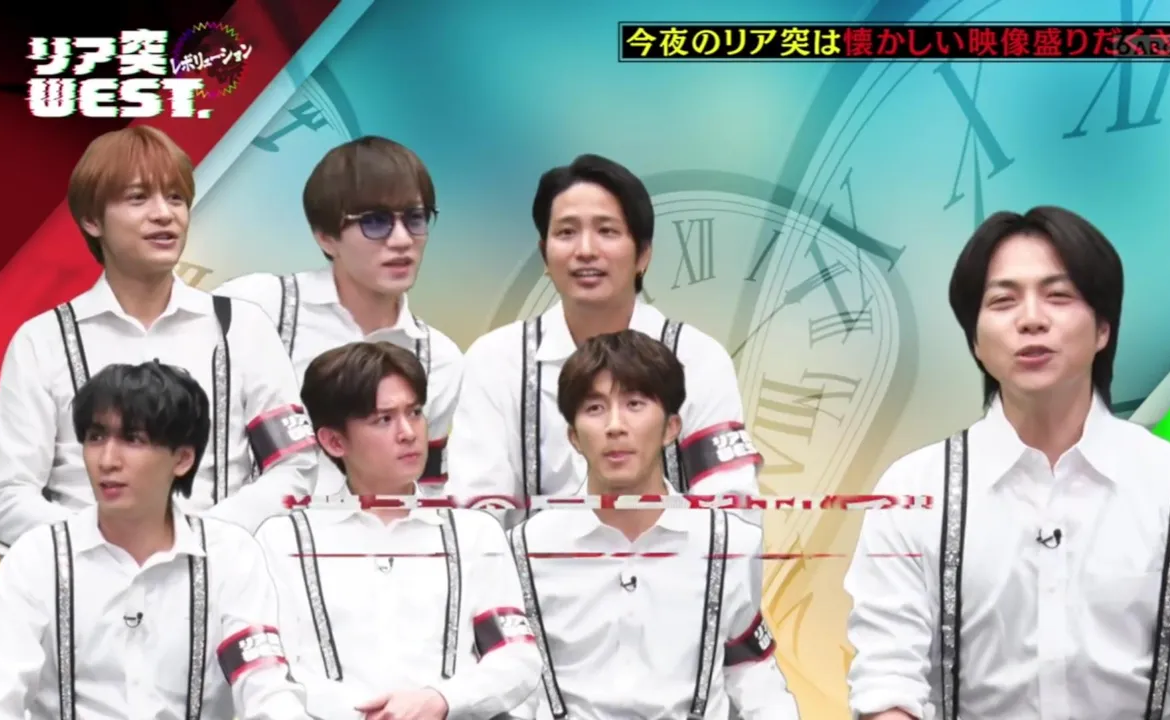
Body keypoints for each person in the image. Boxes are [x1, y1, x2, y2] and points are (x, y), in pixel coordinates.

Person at [843, 206, 1170, 720]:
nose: (1031, 319)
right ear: (975, 340)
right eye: (1003, 301)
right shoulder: (914, 492)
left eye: (1058, 296)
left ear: (1103, 328)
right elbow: (887, 674)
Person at [0, 126, 318, 546]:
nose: (164, 214)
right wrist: (101, 545)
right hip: (83, 571)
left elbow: (294, 464)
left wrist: (204, 536)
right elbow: (6, 495)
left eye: (175, 198)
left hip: (219, 565)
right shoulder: (43, 340)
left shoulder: (243, 328)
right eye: (138, 198)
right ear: (92, 220)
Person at [0, 361, 312, 718]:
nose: (107, 460)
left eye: (133, 439)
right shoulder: (38, 558)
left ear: (182, 459)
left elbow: (265, 687)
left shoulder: (230, 557)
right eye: (95, 438)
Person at [447, 154, 759, 526]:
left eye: (607, 231)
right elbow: (474, 518)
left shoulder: (698, 359)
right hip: (532, 564)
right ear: (544, 254)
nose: (585, 251)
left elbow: (733, 514)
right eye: (566, 232)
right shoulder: (496, 361)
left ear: (643, 254)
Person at [509, 330, 798, 719]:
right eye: (595, 408)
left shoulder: (729, 543)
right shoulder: (525, 550)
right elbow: (508, 684)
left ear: (671, 427)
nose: (615, 426)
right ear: (574, 436)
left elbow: (753, 675)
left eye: (634, 404)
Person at [255, 341, 541, 720]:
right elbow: (273, 673)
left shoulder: (474, 535)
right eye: (384, 419)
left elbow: (516, 656)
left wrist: (440, 699)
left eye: (415, 412)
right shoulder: (282, 541)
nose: (408, 432)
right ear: (334, 441)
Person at [215, 136, 463, 497]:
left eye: (415, 218)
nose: (401, 240)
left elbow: (424, 490)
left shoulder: (440, 360)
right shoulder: (257, 307)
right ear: (325, 237)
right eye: (375, 222)